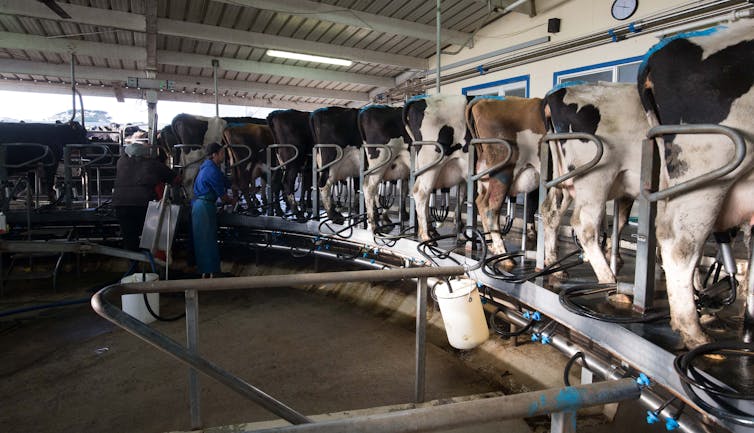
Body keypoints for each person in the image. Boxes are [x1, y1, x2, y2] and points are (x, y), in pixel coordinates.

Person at [112, 142, 180, 251]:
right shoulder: (153, 164)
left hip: (120, 204)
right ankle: (152, 260)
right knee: (151, 236)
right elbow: (175, 179)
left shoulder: (121, 162)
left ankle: (133, 263)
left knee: (130, 239)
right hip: (142, 205)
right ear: (145, 154)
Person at [192, 142, 235, 277]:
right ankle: (210, 272)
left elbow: (227, 182)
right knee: (207, 240)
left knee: (204, 239)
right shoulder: (212, 171)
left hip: (202, 206)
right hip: (204, 207)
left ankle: (207, 272)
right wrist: (233, 200)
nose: (224, 155)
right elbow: (223, 197)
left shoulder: (209, 167)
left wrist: (236, 182)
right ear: (214, 155)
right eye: (222, 153)